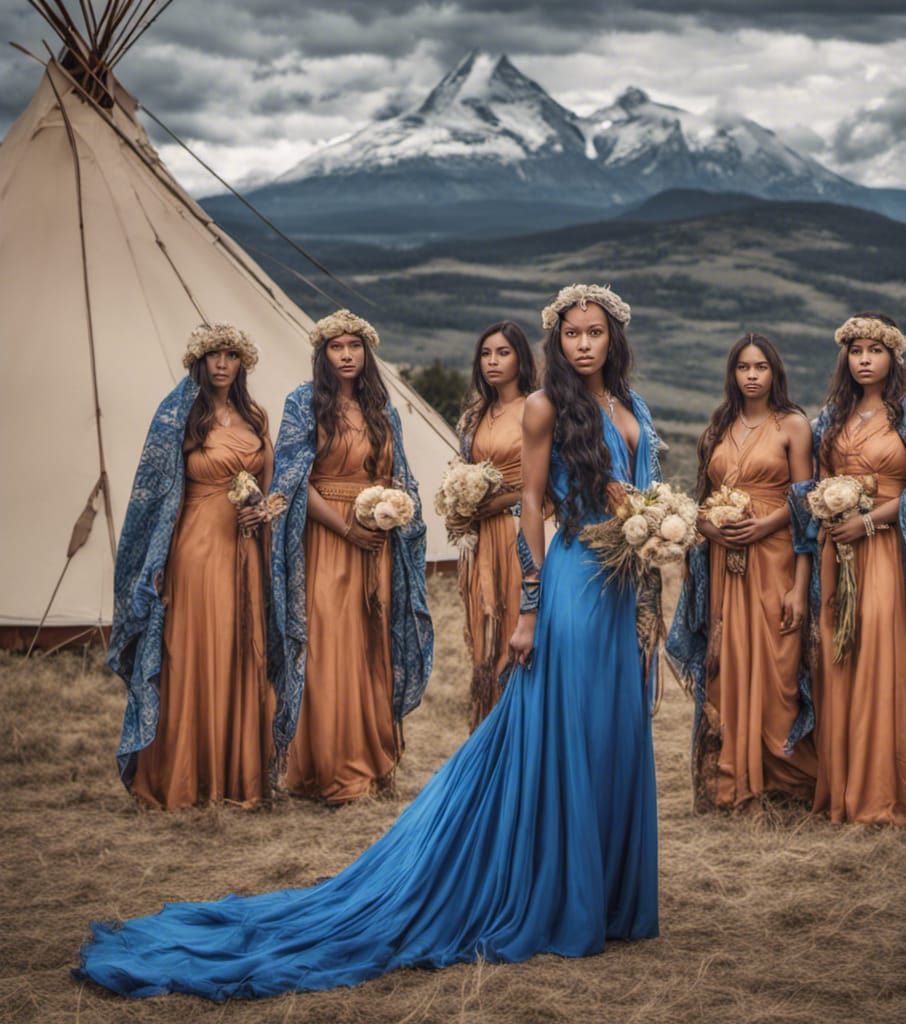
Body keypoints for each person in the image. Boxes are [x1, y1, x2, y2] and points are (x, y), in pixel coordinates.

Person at [75, 284, 664, 1000]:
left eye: (594, 332)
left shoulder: (634, 410)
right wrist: (530, 607)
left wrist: (655, 543)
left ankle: (611, 896)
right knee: (559, 731)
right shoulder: (547, 408)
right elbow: (534, 505)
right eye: (570, 332)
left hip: (618, 586)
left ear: (614, 338)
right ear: (557, 340)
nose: (582, 344)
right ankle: (557, 895)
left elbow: (642, 492)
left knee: (614, 730)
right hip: (569, 585)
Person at [791, 312, 906, 824]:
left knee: (881, 655)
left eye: (875, 350)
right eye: (856, 351)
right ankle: (842, 793)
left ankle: (884, 796)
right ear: (845, 358)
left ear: (893, 356)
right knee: (837, 661)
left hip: (890, 552)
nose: (865, 360)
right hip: (837, 553)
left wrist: (869, 522)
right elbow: (807, 480)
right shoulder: (831, 417)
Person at [107, 323, 277, 810]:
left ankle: (236, 777)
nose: (222, 364)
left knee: (239, 649)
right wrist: (154, 560)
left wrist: (260, 509)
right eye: (213, 355)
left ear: (242, 363)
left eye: (231, 355)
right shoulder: (179, 416)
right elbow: (156, 494)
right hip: (195, 548)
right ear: (198, 363)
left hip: (244, 548)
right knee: (195, 651)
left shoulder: (255, 416)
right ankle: (184, 778)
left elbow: (267, 481)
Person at [270, 310, 433, 804]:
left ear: (367, 353)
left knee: (370, 646)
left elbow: (400, 476)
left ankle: (369, 763)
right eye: (336, 347)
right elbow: (294, 479)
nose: (346, 355)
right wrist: (345, 527)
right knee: (327, 646)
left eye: (355, 347)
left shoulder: (384, 411)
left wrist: (394, 513)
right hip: (325, 539)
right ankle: (328, 769)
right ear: (323, 354)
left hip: (375, 543)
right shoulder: (303, 404)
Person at [667, 333, 816, 811]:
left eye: (761, 367)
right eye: (743, 367)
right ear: (732, 374)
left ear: (775, 373)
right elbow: (703, 500)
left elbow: (806, 502)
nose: (752, 375)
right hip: (724, 566)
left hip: (775, 558)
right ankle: (732, 780)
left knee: (779, 666)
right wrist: (710, 526)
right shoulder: (719, 427)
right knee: (726, 664)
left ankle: (787, 780)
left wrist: (767, 528)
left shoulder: (793, 425)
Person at [454, 320, 537, 726]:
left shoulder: (536, 408)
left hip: (519, 531)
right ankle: (485, 727)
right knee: (483, 635)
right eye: (486, 354)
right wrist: (462, 501)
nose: (493, 361)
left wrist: (496, 502)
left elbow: (546, 487)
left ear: (521, 358)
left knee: (512, 630)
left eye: (503, 353)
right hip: (480, 538)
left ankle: (516, 726)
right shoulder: (475, 414)